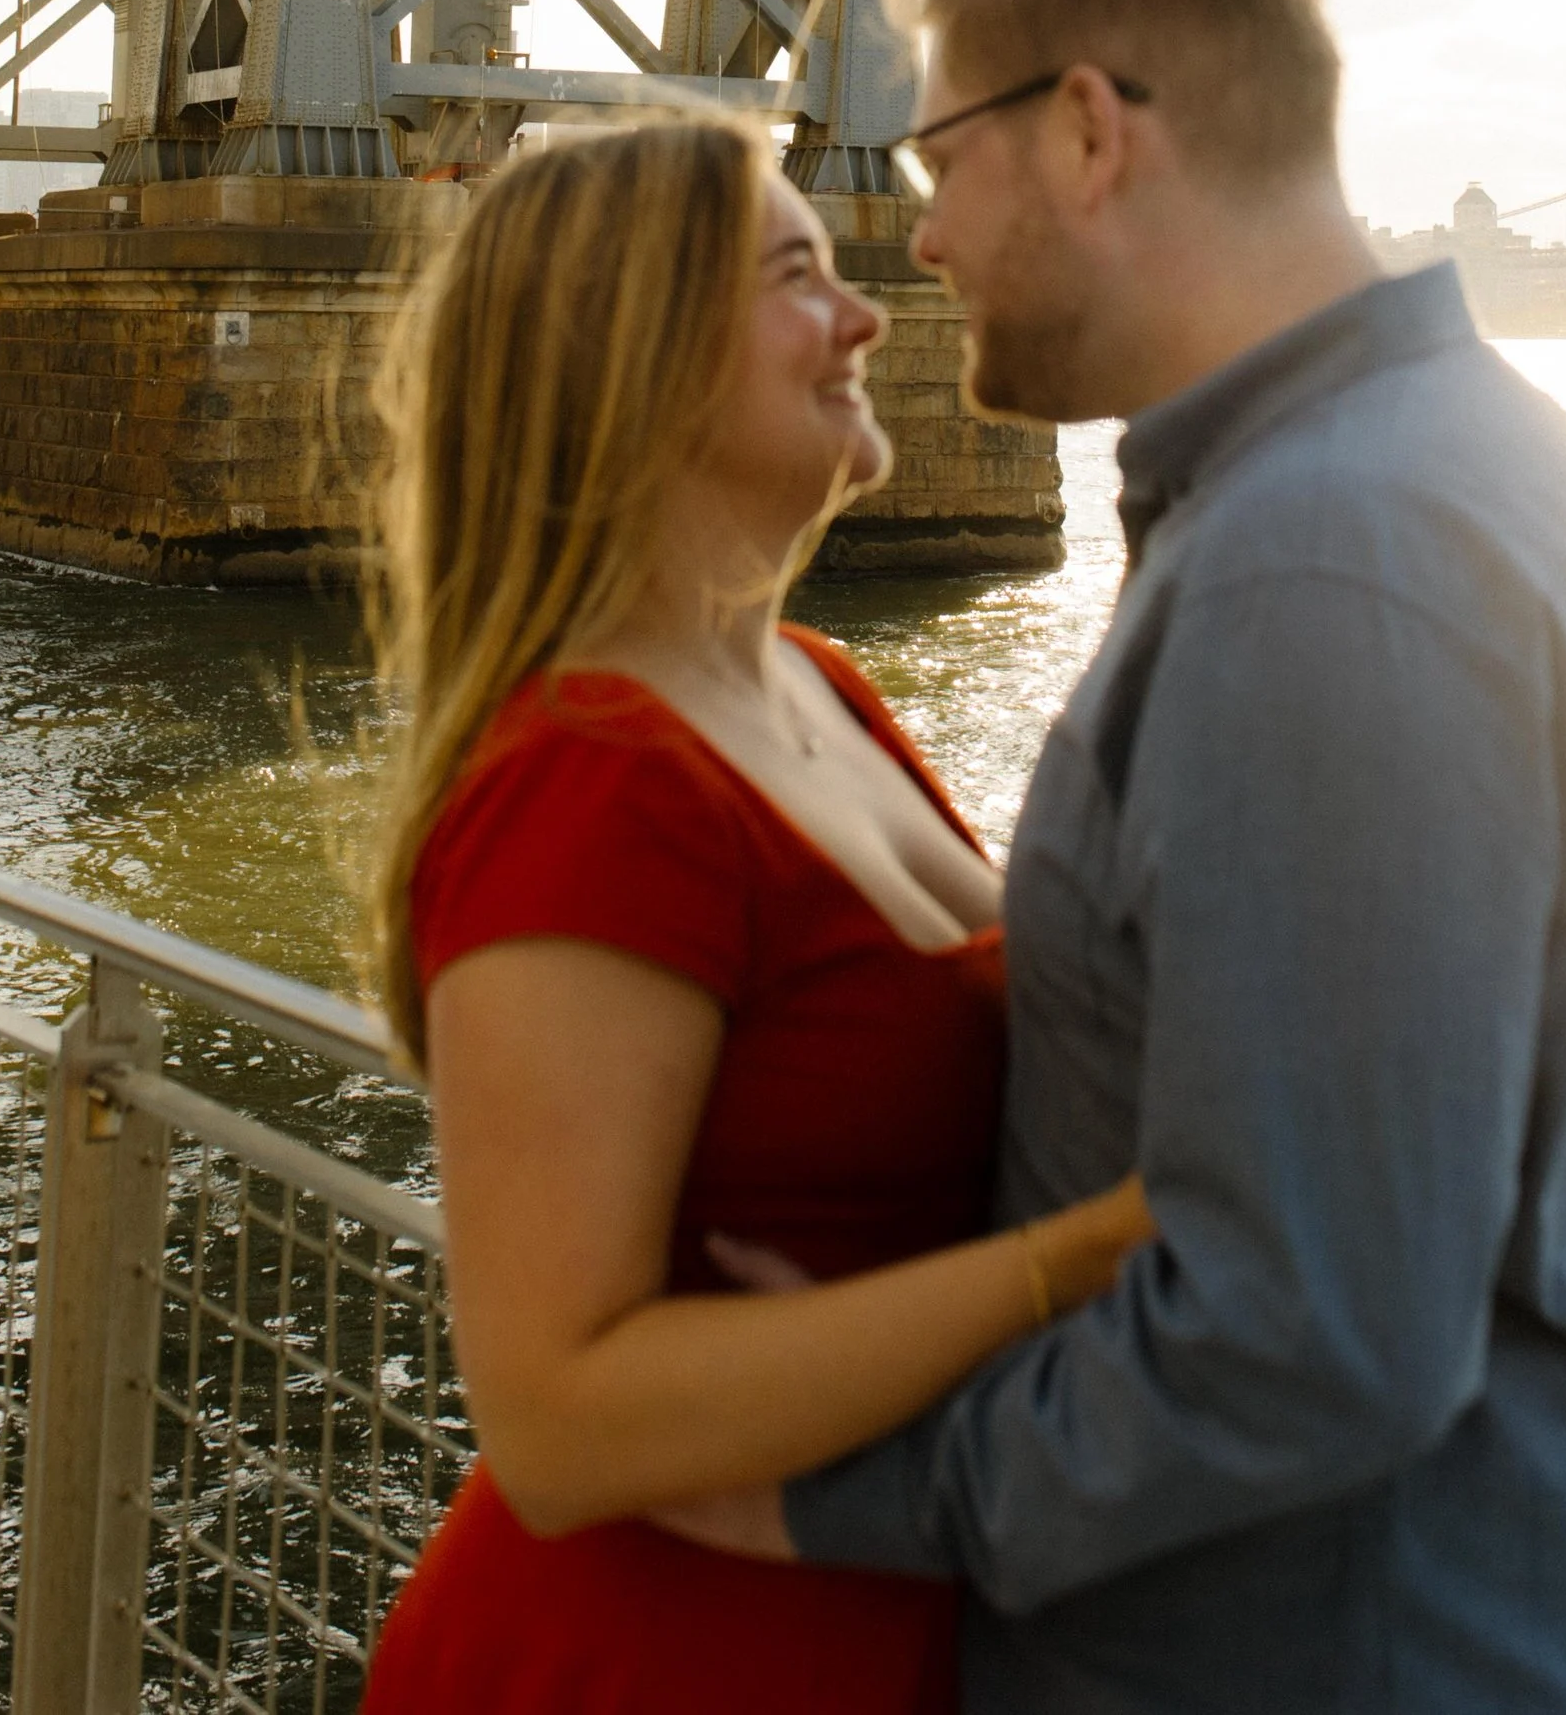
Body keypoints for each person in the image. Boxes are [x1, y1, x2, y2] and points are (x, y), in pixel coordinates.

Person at [685, 0, 1566, 1715]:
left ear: (1092, 130)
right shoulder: (1470, 464)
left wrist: (832, 1484)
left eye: (939, 155)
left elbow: (1318, 1333)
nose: (920, 238)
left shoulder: (1324, 565)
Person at [358, 111, 1153, 1715]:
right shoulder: (588, 781)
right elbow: (559, 1419)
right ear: (628, 352)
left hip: (868, 1611)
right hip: (645, 1657)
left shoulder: (817, 687)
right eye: (802, 274)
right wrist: (1105, 1248)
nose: (869, 316)